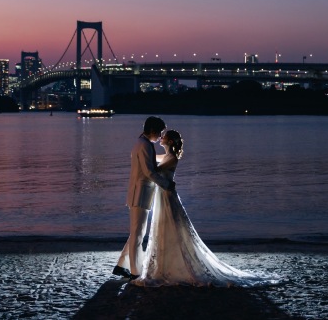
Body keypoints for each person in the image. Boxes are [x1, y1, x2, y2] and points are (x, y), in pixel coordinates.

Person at [132, 129, 275, 287]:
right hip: (163, 194)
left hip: (167, 196)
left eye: (164, 136)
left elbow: (154, 170)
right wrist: (143, 154)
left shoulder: (171, 158)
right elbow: (152, 160)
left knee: (171, 226)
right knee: (164, 226)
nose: (161, 137)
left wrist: (144, 159)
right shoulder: (167, 156)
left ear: (170, 141)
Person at [113, 116, 175, 280]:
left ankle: (121, 266)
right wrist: (166, 184)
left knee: (136, 233)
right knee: (138, 234)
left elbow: (151, 166)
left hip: (139, 193)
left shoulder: (142, 143)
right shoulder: (145, 145)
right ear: (153, 131)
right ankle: (135, 272)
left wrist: (169, 156)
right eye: (160, 133)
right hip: (140, 193)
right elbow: (149, 172)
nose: (161, 136)